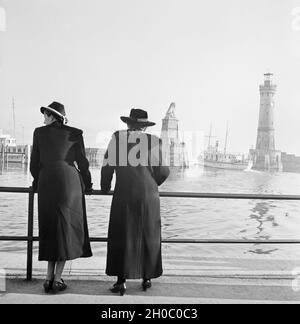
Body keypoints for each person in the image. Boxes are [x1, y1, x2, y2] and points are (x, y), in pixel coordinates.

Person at [101, 108, 170, 296]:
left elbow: (107, 167)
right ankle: (146, 278)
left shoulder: (118, 138)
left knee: (122, 235)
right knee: (148, 234)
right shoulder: (155, 141)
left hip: (124, 193)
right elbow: (163, 171)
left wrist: (105, 187)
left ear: (128, 124)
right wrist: (151, 184)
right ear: (145, 127)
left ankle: (121, 281)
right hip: (148, 196)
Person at [30, 101, 93, 294]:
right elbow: (82, 162)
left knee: (50, 228)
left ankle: (48, 278)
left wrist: (37, 182)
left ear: (52, 116)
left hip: (47, 182)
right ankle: (58, 280)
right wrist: (88, 185)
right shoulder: (75, 133)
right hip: (69, 184)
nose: (43, 118)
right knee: (65, 229)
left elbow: (34, 164)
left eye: (46, 115)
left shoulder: (39, 133)